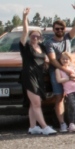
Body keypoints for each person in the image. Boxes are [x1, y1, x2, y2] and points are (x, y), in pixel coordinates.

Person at [44, 0, 75, 127]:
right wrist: (65, 70)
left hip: (70, 70)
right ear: (54, 29)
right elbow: (52, 60)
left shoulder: (67, 38)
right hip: (56, 71)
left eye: (62, 28)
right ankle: (62, 123)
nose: (60, 30)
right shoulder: (50, 43)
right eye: (57, 28)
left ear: (64, 29)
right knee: (59, 97)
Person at [19, 8, 57, 136]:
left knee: (33, 103)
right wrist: (25, 18)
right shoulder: (25, 47)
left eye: (37, 36)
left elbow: (43, 59)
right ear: (30, 37)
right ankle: (45, 127)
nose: (35, 38)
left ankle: (33, 127)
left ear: (40, 38)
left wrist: (46, 62)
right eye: (33, 36)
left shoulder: (41, 47)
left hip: (39, 75)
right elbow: (24, 31)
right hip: (29, 75)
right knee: (36, 103)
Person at [55, 53, 75, 132]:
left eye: (67, 59)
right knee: (71, 106)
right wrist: (69, 78)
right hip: (69, 91)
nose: (65, 61)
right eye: (63, 59)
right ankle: (71, 123)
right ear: (60, 60)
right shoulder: (59, 70)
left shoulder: (72, 68)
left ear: (69, 60)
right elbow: (59, 80)